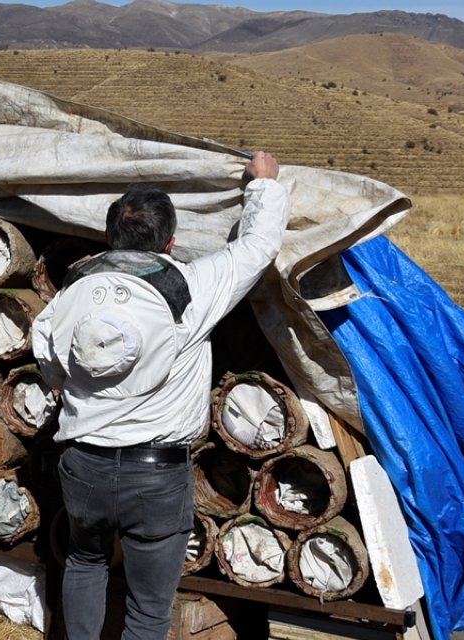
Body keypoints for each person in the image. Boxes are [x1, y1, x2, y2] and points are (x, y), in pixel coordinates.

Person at [31, 151, 287, 639]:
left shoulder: (71, 293)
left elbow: (48, 360)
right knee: (148, 610)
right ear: (171, 242)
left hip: (84, 463)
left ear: (110, 238)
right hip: (157, 475)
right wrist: (263, 185)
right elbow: (258, 245)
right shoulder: (190, 288)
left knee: (84, 562)